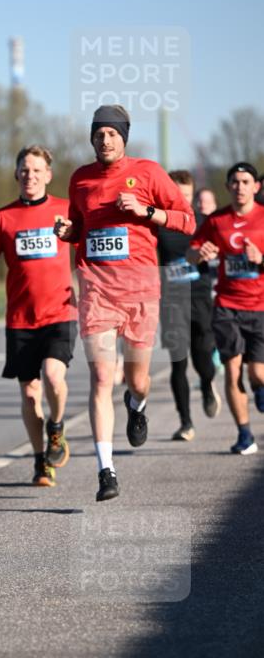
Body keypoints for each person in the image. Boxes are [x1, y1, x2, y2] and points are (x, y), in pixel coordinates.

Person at [54, 104, 194, 502]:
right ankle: (106, 470)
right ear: (92, 137)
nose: (104, 139)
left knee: (136, 379)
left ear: (123, 137)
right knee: (101, 378)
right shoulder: (80, 179)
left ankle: (137, 403)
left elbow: (187, 220)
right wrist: (67, 232)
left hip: (141, 291)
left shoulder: (148, 172)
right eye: (98, 133)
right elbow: (79, 227)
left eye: (112, 133)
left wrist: (148, 212)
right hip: (97, 290)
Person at [0, 145, 76, 487]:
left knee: (53, 376)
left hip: (60, 311)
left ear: (48, 174)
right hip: (20, 319)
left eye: (36, 170)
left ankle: (56, 428)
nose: (30, 176)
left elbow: (88, 237)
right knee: (30, 395)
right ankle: (40, 461)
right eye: (24, 170)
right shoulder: (4, 217)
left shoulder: (65, 210)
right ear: (17, 175)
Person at [187, 162, 264, 454]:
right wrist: (199, 253)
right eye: (235, 182)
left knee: (258, 373)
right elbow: (190, 253)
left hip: (260, 306)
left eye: (246, 182)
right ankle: (244, 434)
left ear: (256, 187)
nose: (240, 187)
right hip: (227, 305)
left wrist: (260, 259)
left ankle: (259, 387)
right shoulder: (217, 220)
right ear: (228, 186)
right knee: (232, 372)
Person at [158, 169, 220, 441]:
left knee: (203, 358)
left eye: (186, 195)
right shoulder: (158, 225)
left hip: (200, 298)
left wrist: (214, 252)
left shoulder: (205, 222)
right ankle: (185, 422)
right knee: (178, 363)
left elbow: (222, 251)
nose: (181, 199)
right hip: (172, 301)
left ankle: (207, 385)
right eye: (176, 194)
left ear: (193, 196)